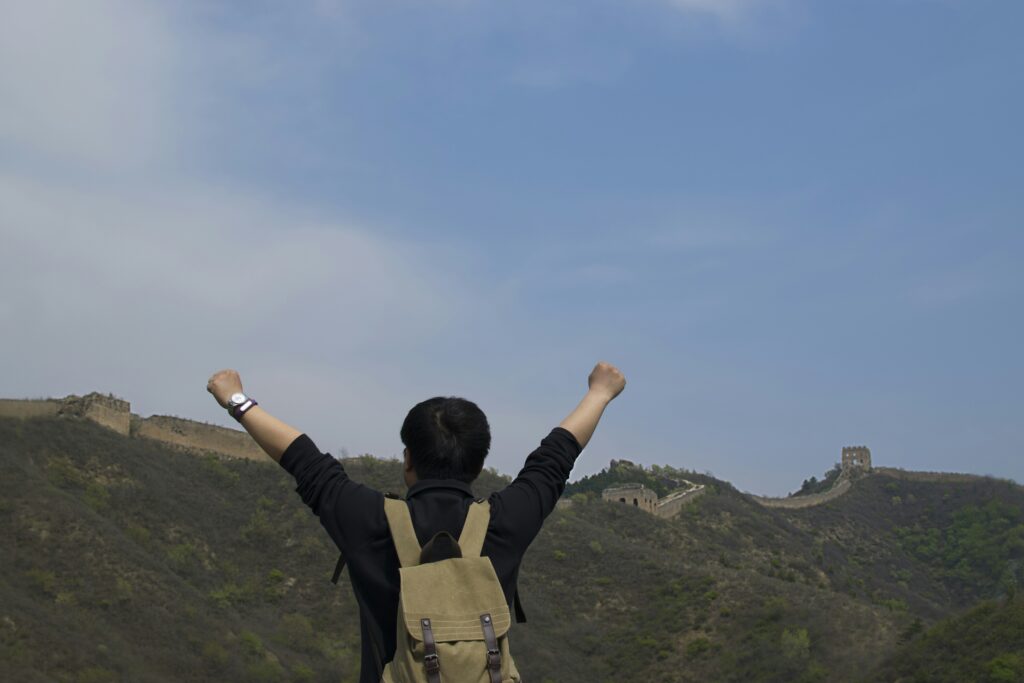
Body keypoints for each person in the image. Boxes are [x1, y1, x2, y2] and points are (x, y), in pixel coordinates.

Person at [205, 361, 626, 683]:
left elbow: (304, 461)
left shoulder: (368, 520)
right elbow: (554, 460)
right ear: (479, 464)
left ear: (408, 459)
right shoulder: (504, 523)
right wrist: (600, 393)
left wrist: (236, 399)